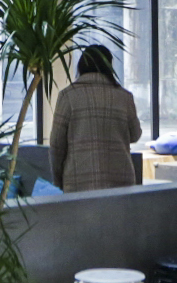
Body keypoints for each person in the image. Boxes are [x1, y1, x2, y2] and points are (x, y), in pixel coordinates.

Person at [50, 43, 142, 193]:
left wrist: (58, 179)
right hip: (120, 181)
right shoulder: (124, 97)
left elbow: (56, 144)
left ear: (81, 66)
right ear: (109, 67)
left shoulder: (67, 96)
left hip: (78, 182)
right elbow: (135, 135)